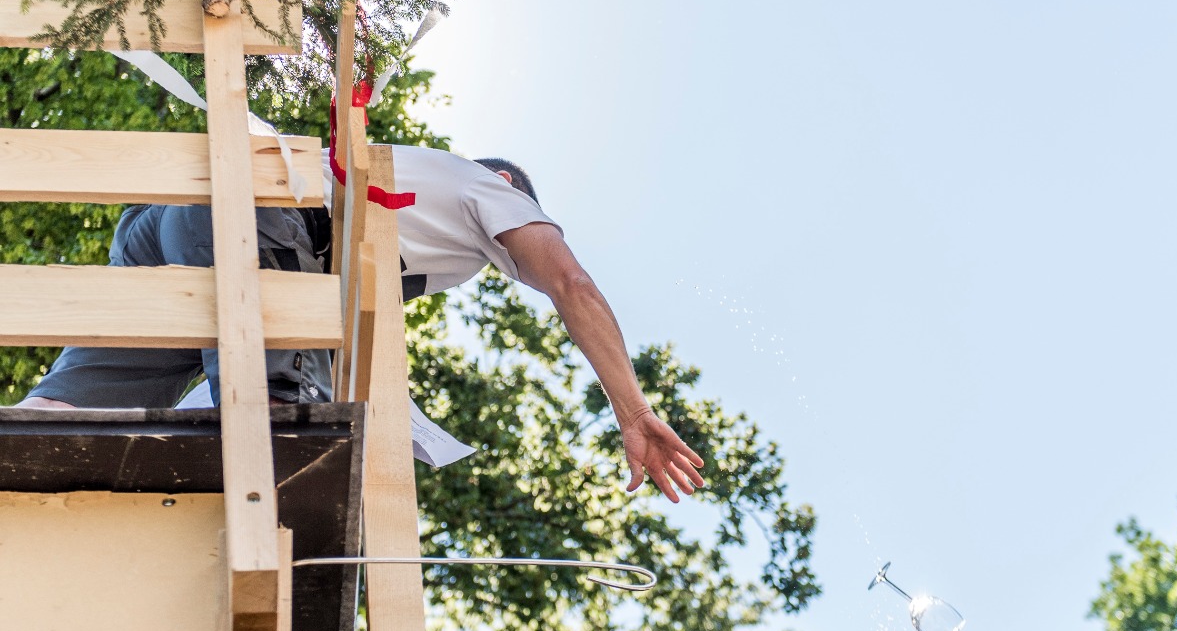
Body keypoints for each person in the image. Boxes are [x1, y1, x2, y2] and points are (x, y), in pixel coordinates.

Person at [20, 147, 705, 503]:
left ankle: (41, 418)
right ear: (508, 185)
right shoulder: (486, 189)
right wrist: (634, 411)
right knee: (286, 422)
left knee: (65, 412)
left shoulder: (420, 214)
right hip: (253, 222)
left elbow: (346, 311)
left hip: (172, 222)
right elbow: (572, 285)